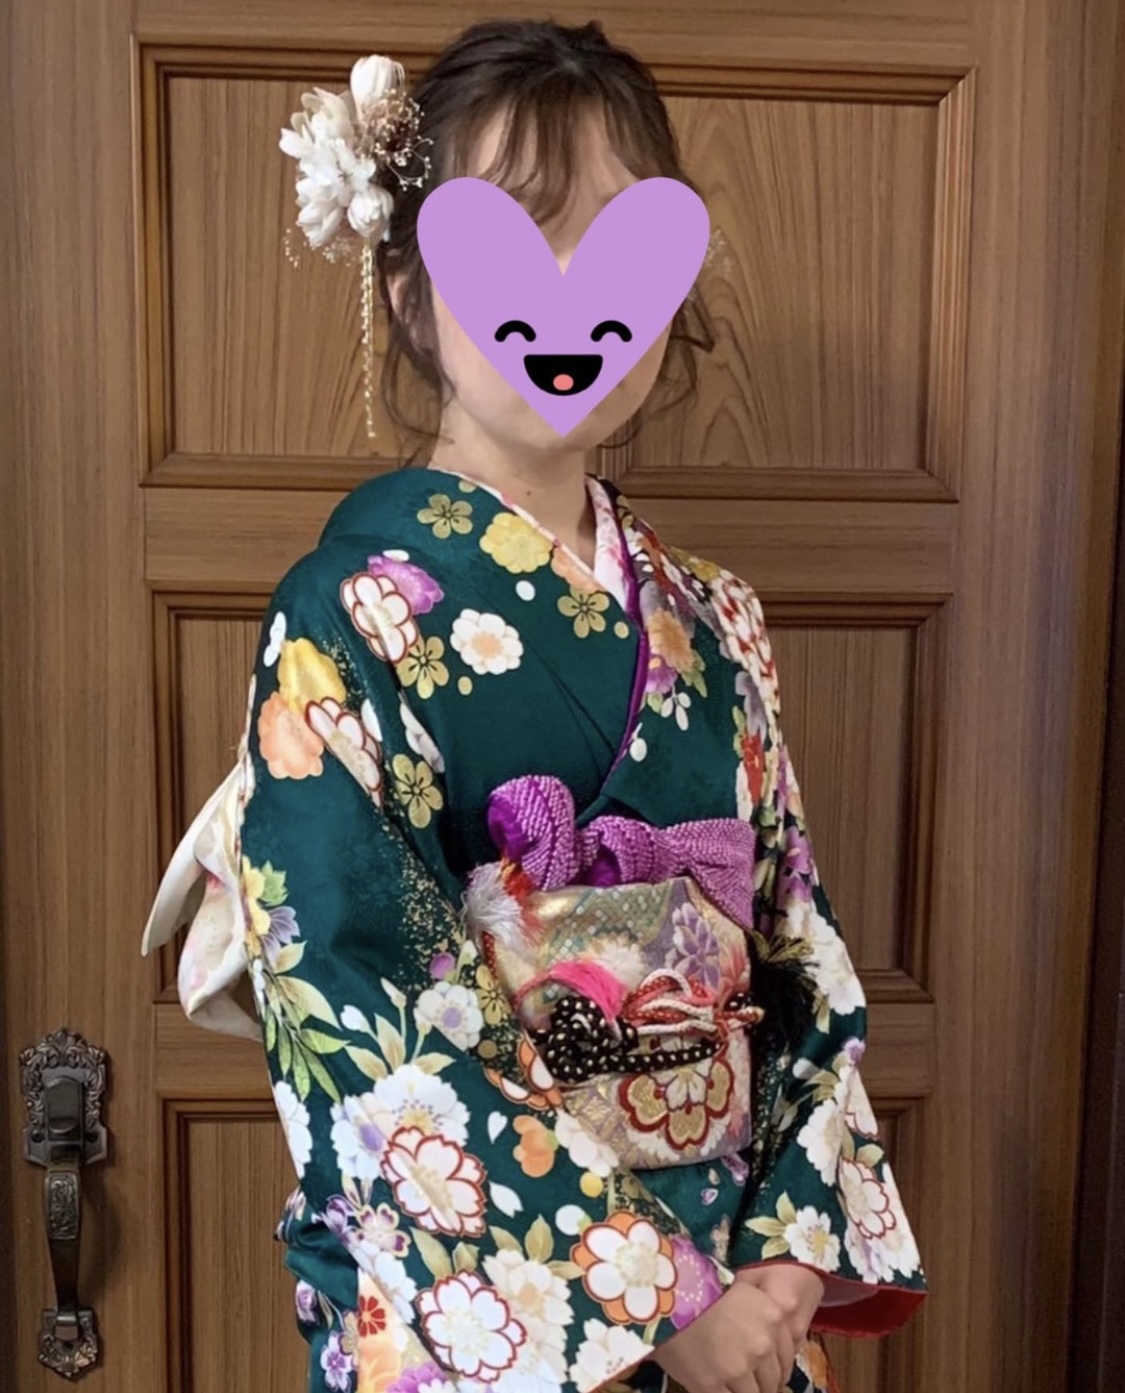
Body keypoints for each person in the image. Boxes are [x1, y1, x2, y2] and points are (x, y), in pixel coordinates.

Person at [142, 19, 927, 1393]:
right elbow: (358, 1002)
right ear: (407, 287)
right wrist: (658, 1300)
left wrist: (785, 1256)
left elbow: (797, 950)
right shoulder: (346, 618)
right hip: (489, 1311)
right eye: (515, 245)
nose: (568, 301)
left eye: (616, 252)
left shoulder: (719, 618)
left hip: (734, 1287)